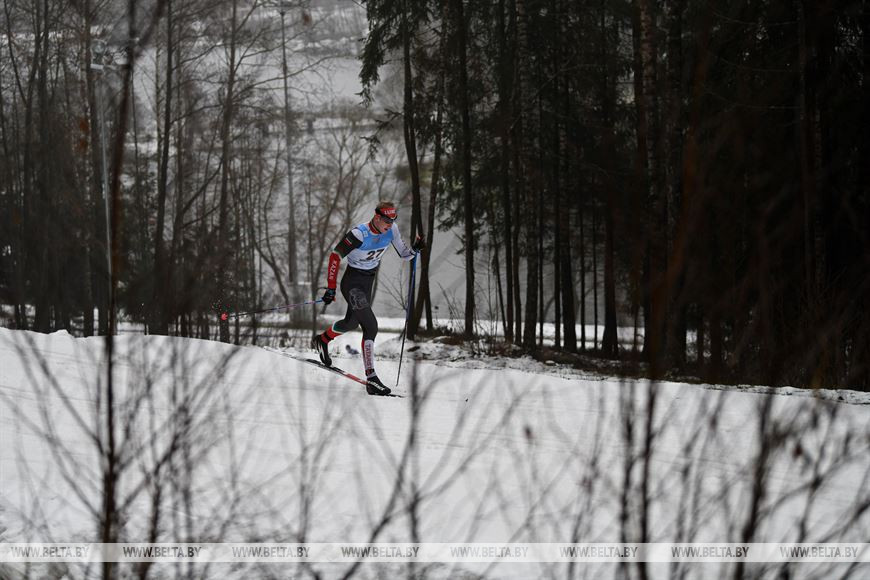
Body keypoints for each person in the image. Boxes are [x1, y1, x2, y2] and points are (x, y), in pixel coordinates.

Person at [311, 201, 424, 395]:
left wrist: (415, 249)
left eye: (392, 221)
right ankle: (372, 379)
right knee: (370, 325)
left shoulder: (392, 230)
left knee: (350, 322)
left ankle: (322, 340)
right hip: (353, 283)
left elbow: (405, 255)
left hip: (368, 282)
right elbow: (335, 256)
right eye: (387, 221)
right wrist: (331, 288)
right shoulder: (358, 234)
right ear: (377, 217)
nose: (390, 225)